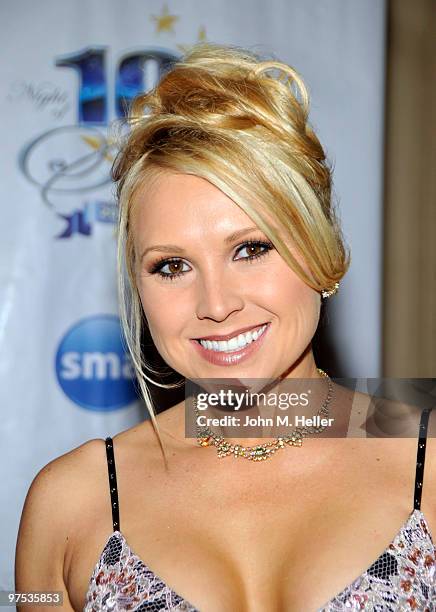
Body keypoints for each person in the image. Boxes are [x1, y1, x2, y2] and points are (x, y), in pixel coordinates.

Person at [15, 43, 435, 611]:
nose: (214, 304)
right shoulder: (70, 503)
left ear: (320, 251)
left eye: (251, 249)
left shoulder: (428, 466)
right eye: (172, 266)